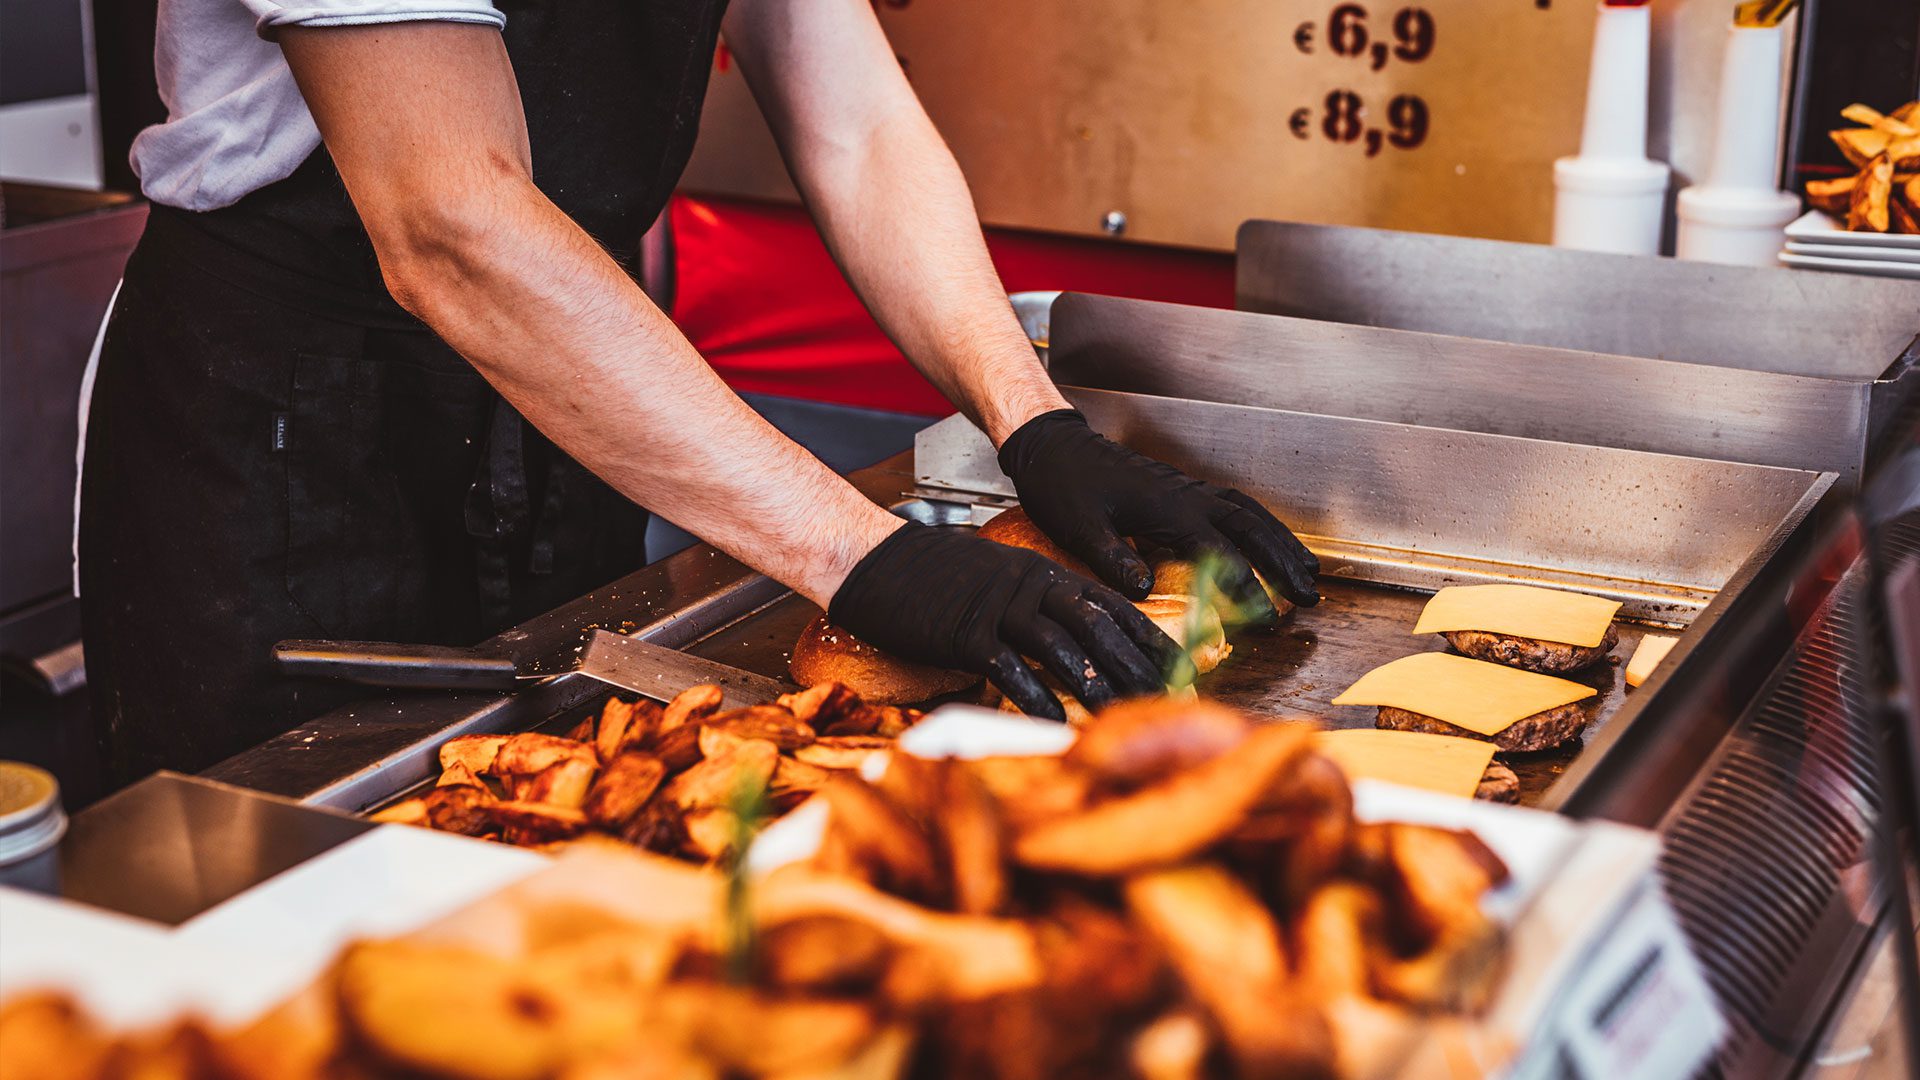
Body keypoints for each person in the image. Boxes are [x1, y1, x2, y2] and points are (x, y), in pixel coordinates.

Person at [79, 0, 1319, 786]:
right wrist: (866, 557)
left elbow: (859, 127)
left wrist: (1031, 418)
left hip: (576, 402)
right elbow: (451, 220)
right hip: (296, 436)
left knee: (572, 815)